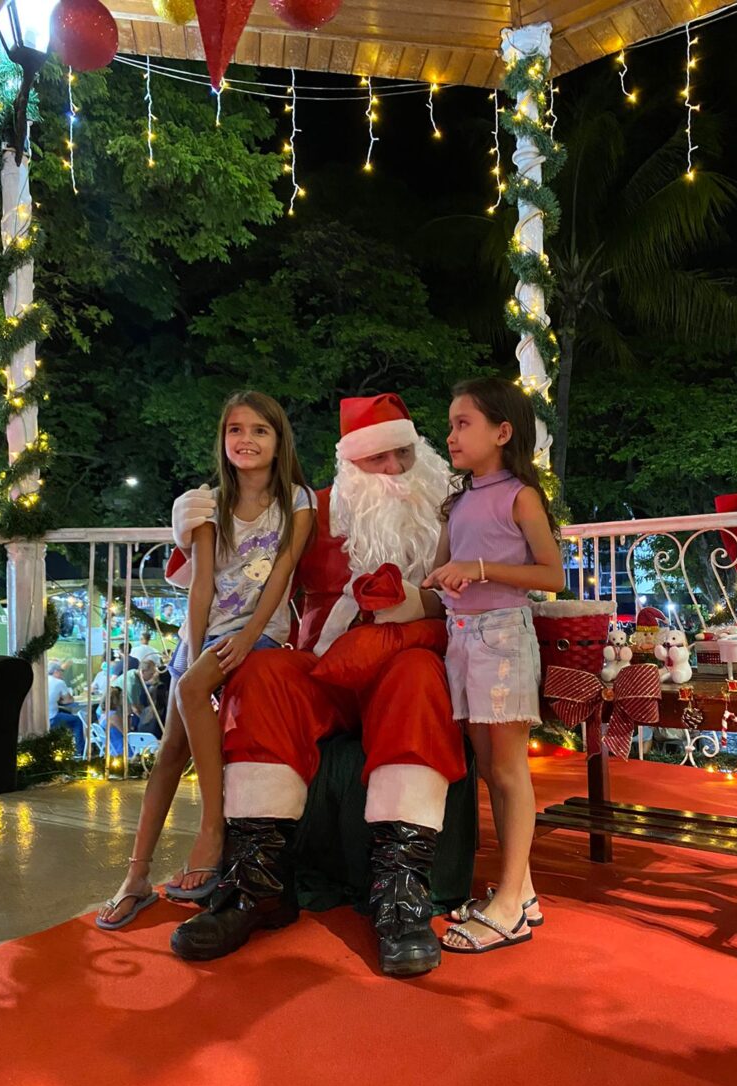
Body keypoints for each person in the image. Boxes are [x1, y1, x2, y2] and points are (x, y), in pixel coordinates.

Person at [167, 393, 466, 976]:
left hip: (403, 664)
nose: (392, 471)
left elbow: (478, 598)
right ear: (350, 466)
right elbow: (242, 563)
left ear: (421, 453)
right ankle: (259, 885)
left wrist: (419, 604)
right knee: (265, 673)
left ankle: (401, 894)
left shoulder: (450, 513)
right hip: (323, 668)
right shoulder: (316, 511)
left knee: (418, 678)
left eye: (402, 455)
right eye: (375, 460)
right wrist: (193, 533)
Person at [97, 391, 316, 929]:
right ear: (223, 440)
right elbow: (199, 588)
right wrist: (191, 653)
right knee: (171, 749)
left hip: (261, 634)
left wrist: (246, 640)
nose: (246, 439)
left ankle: (213, 830)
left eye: (259, 430)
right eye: (235, 430)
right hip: (205, 639)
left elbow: (281, 575)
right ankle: (136, 876)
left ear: (278, 439)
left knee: (193, 692)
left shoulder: (298, 500)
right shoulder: (204, 504)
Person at [423, 377, 564, 955]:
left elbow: (552, 576)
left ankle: (509, 903)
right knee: (489, 770)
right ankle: (519, 891)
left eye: (464, 424)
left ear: (502, 432)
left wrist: (480, 568)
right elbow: (437, 577)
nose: (451, 434)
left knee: (508, 772)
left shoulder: (520, 497)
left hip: (503, 638)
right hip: (461, 638)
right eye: (451, 423)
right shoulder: (457, 501)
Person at [47, 662, 85, 757]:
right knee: (77, 721)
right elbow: (68, 700)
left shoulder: (42, 680)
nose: (62, 674)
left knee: (66, 715)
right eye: (61, 672)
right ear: (56, 671)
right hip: (52, 716)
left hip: (42, 717)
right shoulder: (59, 682)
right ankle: (79, 751)